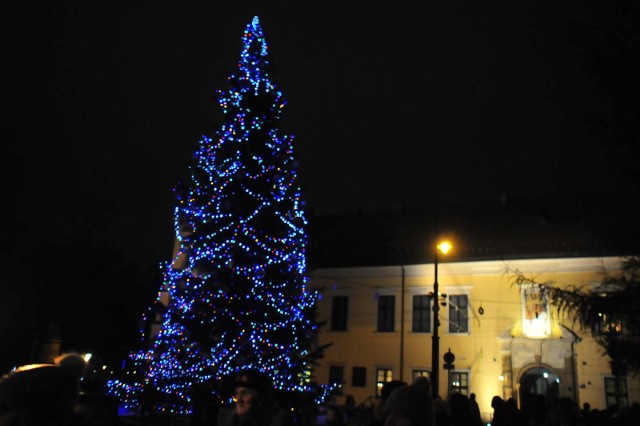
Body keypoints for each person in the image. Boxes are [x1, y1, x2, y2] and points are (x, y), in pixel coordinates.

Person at [0, 352, 87, 425]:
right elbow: (67, 407)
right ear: (80, 370)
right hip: (12, 408)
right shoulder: (67, 378)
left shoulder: (44, 370)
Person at [218, 369, 292, 426]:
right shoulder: (231, 421)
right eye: (237, 393)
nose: (239, 399)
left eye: (245, 393)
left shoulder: (279, 420)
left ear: (260, 398)